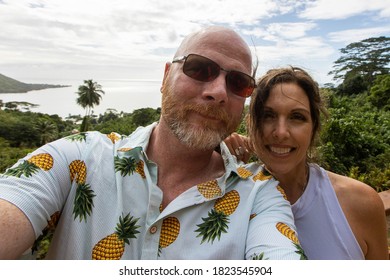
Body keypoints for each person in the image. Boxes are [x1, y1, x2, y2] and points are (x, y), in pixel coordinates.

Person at [0, 27, 304, 260]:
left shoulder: (258, 196)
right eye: (199, 68)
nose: (218, 92)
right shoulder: (79, 157)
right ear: (166, 76)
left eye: (238, 82)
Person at [225, 66, 389, 260]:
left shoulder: (361, 202)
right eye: (268, 116)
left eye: (297, 117)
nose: (281, 132)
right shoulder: (228, 198)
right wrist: (218, 156)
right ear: (251, 124)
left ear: (314, 128)